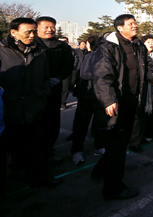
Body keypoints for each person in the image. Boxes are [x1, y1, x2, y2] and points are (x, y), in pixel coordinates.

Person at [91, 14, 153, 200]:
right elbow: (101, 75)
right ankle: (113, 188)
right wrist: (108, 100)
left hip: (132, 102)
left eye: (135, 22)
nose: (136, 25)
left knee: (119, 144)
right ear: (120, 28)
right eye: (131, 23)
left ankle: (99, 171)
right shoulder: (107, 48)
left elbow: (148, 66)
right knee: (116, 146)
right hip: (114, 104)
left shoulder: (138, 46)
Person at [0, 18, 61, 191]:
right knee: (10, 147)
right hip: (9, 109)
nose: (32, 35)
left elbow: (44, 78)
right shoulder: (2, 52)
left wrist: (43, 98)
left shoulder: (39, 52)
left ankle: (39, 177)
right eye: (28, 32)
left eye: (34, 31)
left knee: (36, 146)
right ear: (14, 32)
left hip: (34, 107)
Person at [35, 16, 74, 160]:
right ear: (37, 28)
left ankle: (48, 150)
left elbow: (68, 64)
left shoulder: (62, 46)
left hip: (54, 88)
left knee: (52, 122)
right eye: (46, 27)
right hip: (34, 90)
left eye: (52, 27)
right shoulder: (32, 44)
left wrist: (57, 78)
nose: (50, 30)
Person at [71, 35, 106, 165]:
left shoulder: (108, 56)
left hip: (101, 96)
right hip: (87, 95)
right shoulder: (90, 56)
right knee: (82, 124)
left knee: (100, 124)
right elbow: (84, 74)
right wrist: (102, 75)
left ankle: (99, 147)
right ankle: (76, 151)